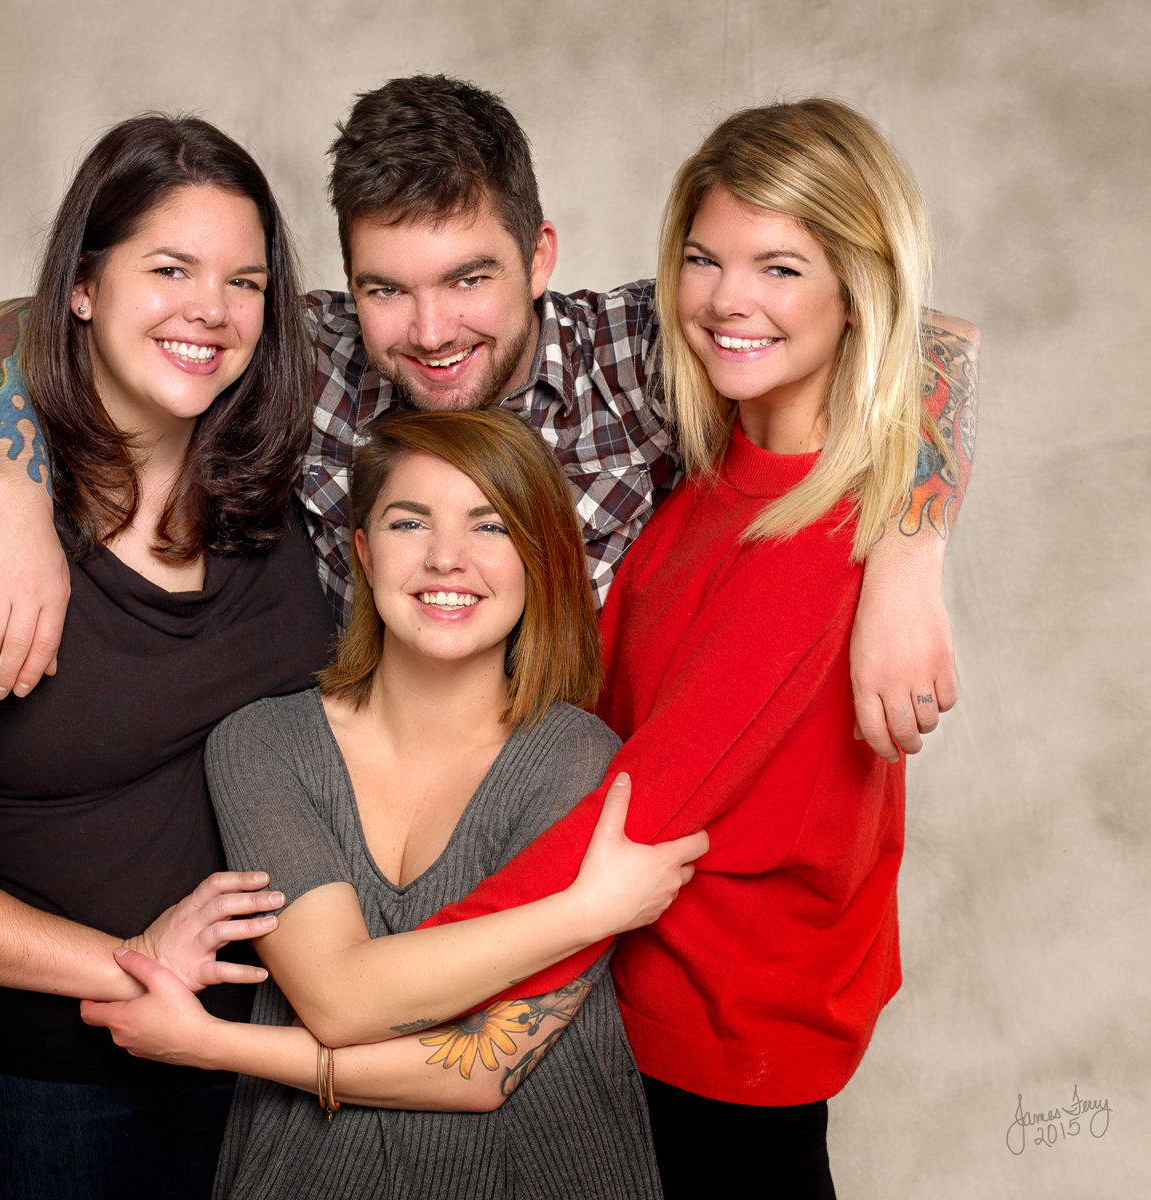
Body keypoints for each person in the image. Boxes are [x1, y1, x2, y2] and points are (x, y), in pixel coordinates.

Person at [0, 74, 979, 765]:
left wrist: (906, 568)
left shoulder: (643, 355)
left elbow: (925, 341)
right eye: (385, 289)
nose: (430, 332)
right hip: (346, 817)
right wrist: (11, 511)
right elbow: (14, 324)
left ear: (537, 256)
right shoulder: (309, 356)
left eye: (468, 279)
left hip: (572, 817)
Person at [413, 98, 969, 1198]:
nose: (726, 301)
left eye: (779, 268)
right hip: (645, 1011)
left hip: (713, 1051)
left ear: (856, 293)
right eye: (704, 259)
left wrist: (393, 973)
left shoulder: (824, 539)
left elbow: (635, 814)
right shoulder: (714, 468)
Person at [0, 114, 335, 1199]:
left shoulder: (279, 523)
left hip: (250, 1063)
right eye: (168, 267)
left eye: (244, 281)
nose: (211, 307)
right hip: (34, 1088)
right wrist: (133, 963)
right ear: (83, 288)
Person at [80, 408, 707, 1200]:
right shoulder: (262, 745)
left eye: (491, 527)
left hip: (542, 1175)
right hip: (308, 1178)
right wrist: (590, 911)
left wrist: (211, 1045)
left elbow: (484, 1069)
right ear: (365, 555)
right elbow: (338, 999)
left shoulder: (580, 761)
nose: (448, 559)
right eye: (411, 523)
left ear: (542, 560)